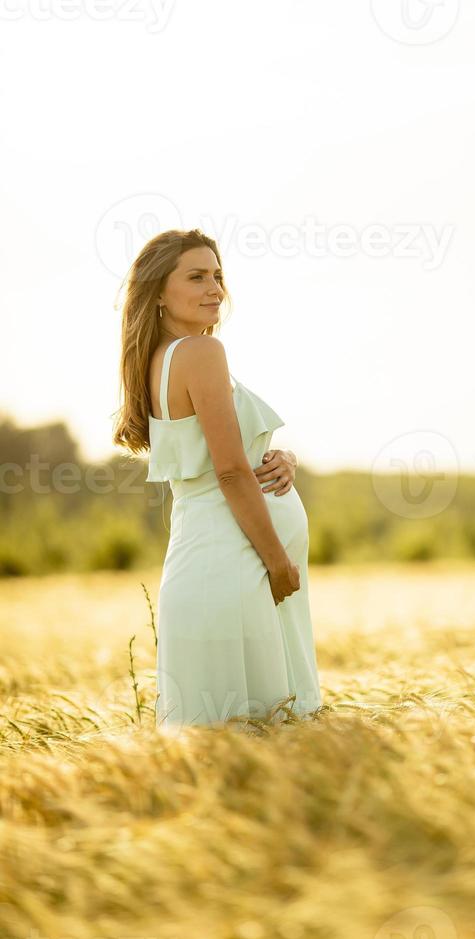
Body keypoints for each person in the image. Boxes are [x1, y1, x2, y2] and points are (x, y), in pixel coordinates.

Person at [112, 228, 322, 728]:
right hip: (237, 572)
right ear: (158, 290)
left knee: (219, 748)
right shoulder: (202, 353)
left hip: (204, 567)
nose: (216, 289)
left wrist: (281, 458)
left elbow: (224, 458)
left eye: (219, 276)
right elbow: (228, 472)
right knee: (265, 738)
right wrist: (278, 563)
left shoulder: (159, 360)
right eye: (197, 276)